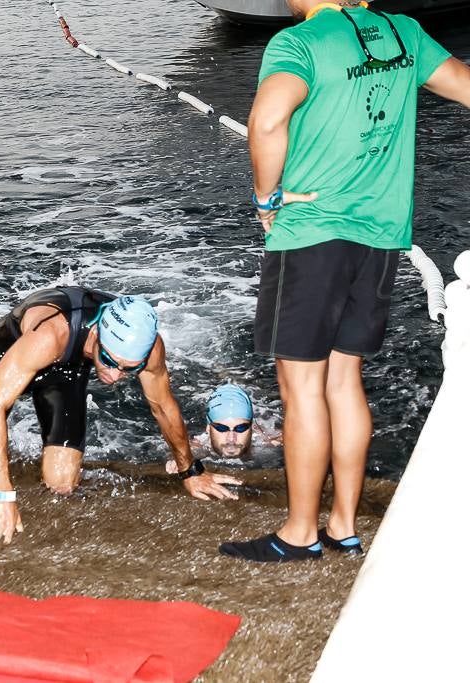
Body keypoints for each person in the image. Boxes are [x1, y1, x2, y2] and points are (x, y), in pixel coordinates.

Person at [220, 0, 470, 562]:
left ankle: (300, 532)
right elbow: (465, 84)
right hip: (382, 236)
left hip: (312, 233)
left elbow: (266, 120)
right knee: (344, 378)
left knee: (302, 387)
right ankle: (343, 524)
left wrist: (267, 200)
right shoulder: (404, 32)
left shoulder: (299, 43)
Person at [0, 288, 242, 545]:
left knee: (62, 485)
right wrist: (3, 496)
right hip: (10, 352)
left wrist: (190, 471)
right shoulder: (52, 335)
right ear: (95, 335)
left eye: (128, 369)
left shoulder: (148, 349)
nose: (115, 376)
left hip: (68, 368)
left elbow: (164, 408)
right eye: (108, 361)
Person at [164, 383, 281, 473]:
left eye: (240, 428)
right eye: (221, 428)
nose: (231, 438)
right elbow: (186, 449)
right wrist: (179, 459)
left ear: (252, 428)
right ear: (208, 429)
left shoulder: (266, 443)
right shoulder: (202, 445)